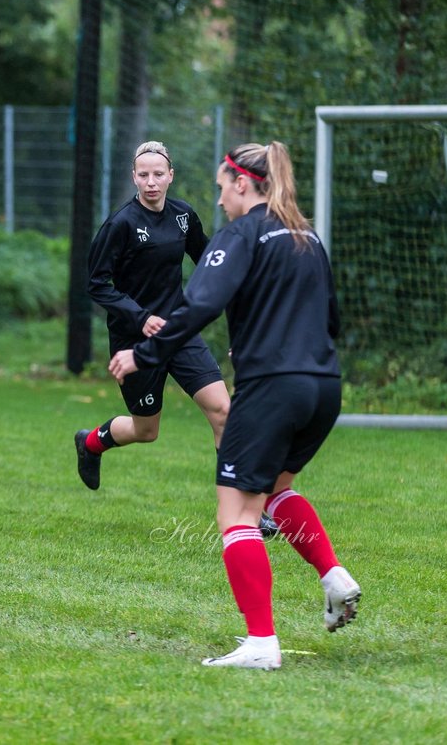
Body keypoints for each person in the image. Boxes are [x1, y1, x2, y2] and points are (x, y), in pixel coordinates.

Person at [110, 141, 361, 669]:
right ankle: (334, 577)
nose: (220, 198)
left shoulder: (242, 234)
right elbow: (332, 318)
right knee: (277, 489)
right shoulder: (306, 236)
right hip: (324, 386)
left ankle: (261, 644)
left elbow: (197, 304)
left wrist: (144, 353)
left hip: (273, 388)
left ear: (242, 183)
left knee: (236, 511)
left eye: (223, 187)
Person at [72, 140, 278, 538]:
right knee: (146, 430)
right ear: (134, 177)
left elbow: (209, 266)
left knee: (224, 411)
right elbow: (96, 284)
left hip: (181, 333)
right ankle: (91, 442)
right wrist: (140, 316)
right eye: (143, 175)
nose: (151, 182)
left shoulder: (184, 217)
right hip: (135, 343)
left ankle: (248, 511)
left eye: (158, 174)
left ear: (171, 175)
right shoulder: (120, 224)